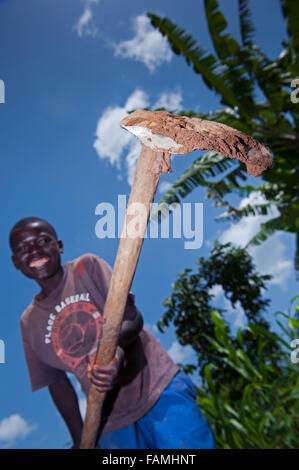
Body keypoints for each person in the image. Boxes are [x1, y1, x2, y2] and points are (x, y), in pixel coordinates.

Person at [10, 216, 215, 449]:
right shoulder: (29, 322)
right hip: (111, 422)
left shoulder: (87, 267)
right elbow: (57, 383)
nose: (35, 250)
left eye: (43, 240)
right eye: (23, 248)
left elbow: (132, 317)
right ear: (16, 262)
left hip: (157, 389)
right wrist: (80, 439)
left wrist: (111, 347)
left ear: (60, 246)